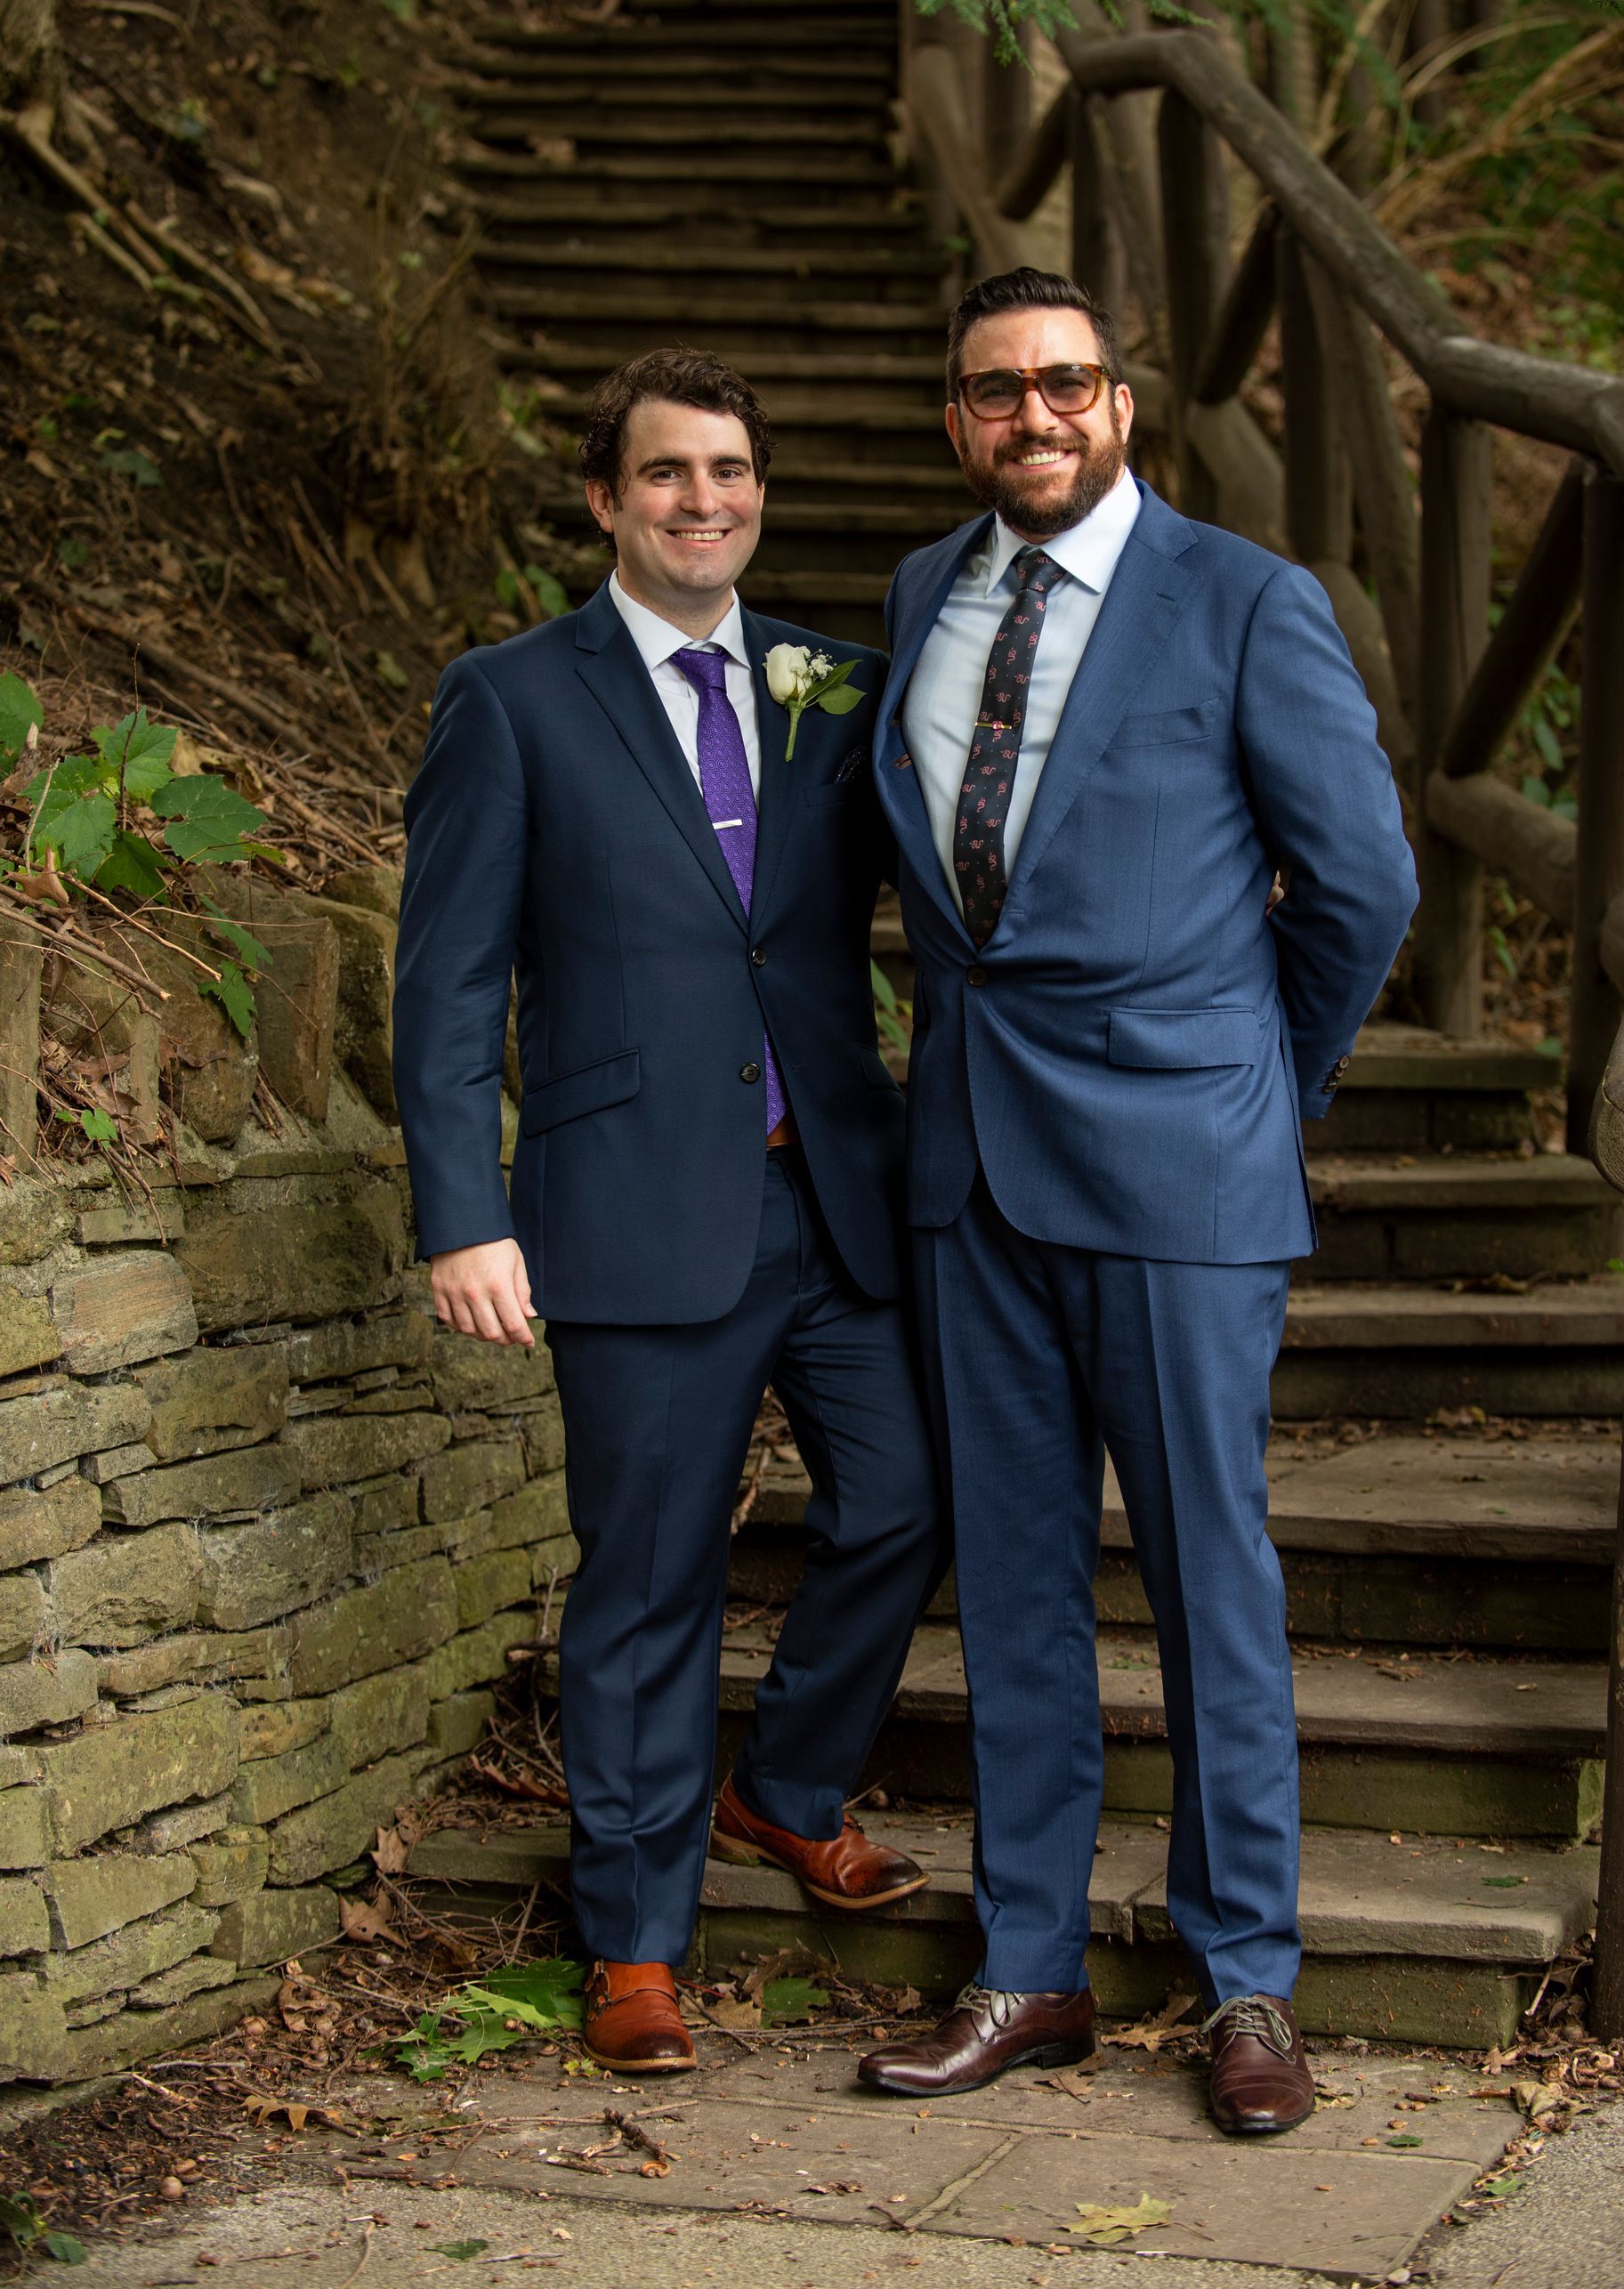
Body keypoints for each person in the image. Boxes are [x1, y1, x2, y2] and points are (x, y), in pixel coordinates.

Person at [855, 269, 1418, 2134]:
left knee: (1209, 1578)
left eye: (1067, 381)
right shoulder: (920, 597)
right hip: (973, 1172)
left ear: (1120, 404)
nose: (1035, 414)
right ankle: (1029, 1966)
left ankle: (1248, 1977)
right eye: (997, 388)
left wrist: (1265, 1081)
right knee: (1012, 1587)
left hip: (1181, 1164)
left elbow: (1361, 890)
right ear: (959, 420)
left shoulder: (1248, 602)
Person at [392, 346, 946, 2080]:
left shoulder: (838, 689)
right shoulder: (513, 696)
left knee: (910, 1497)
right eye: (666, 475)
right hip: (627, 1205)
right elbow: (445, 981)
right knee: (643, 1582)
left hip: (834, 1194)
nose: (704, 501)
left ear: (759, 494)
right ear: (604, 500)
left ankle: (782, 1788)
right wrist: (462, 1213)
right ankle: (634, 1937)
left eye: (729, 473)